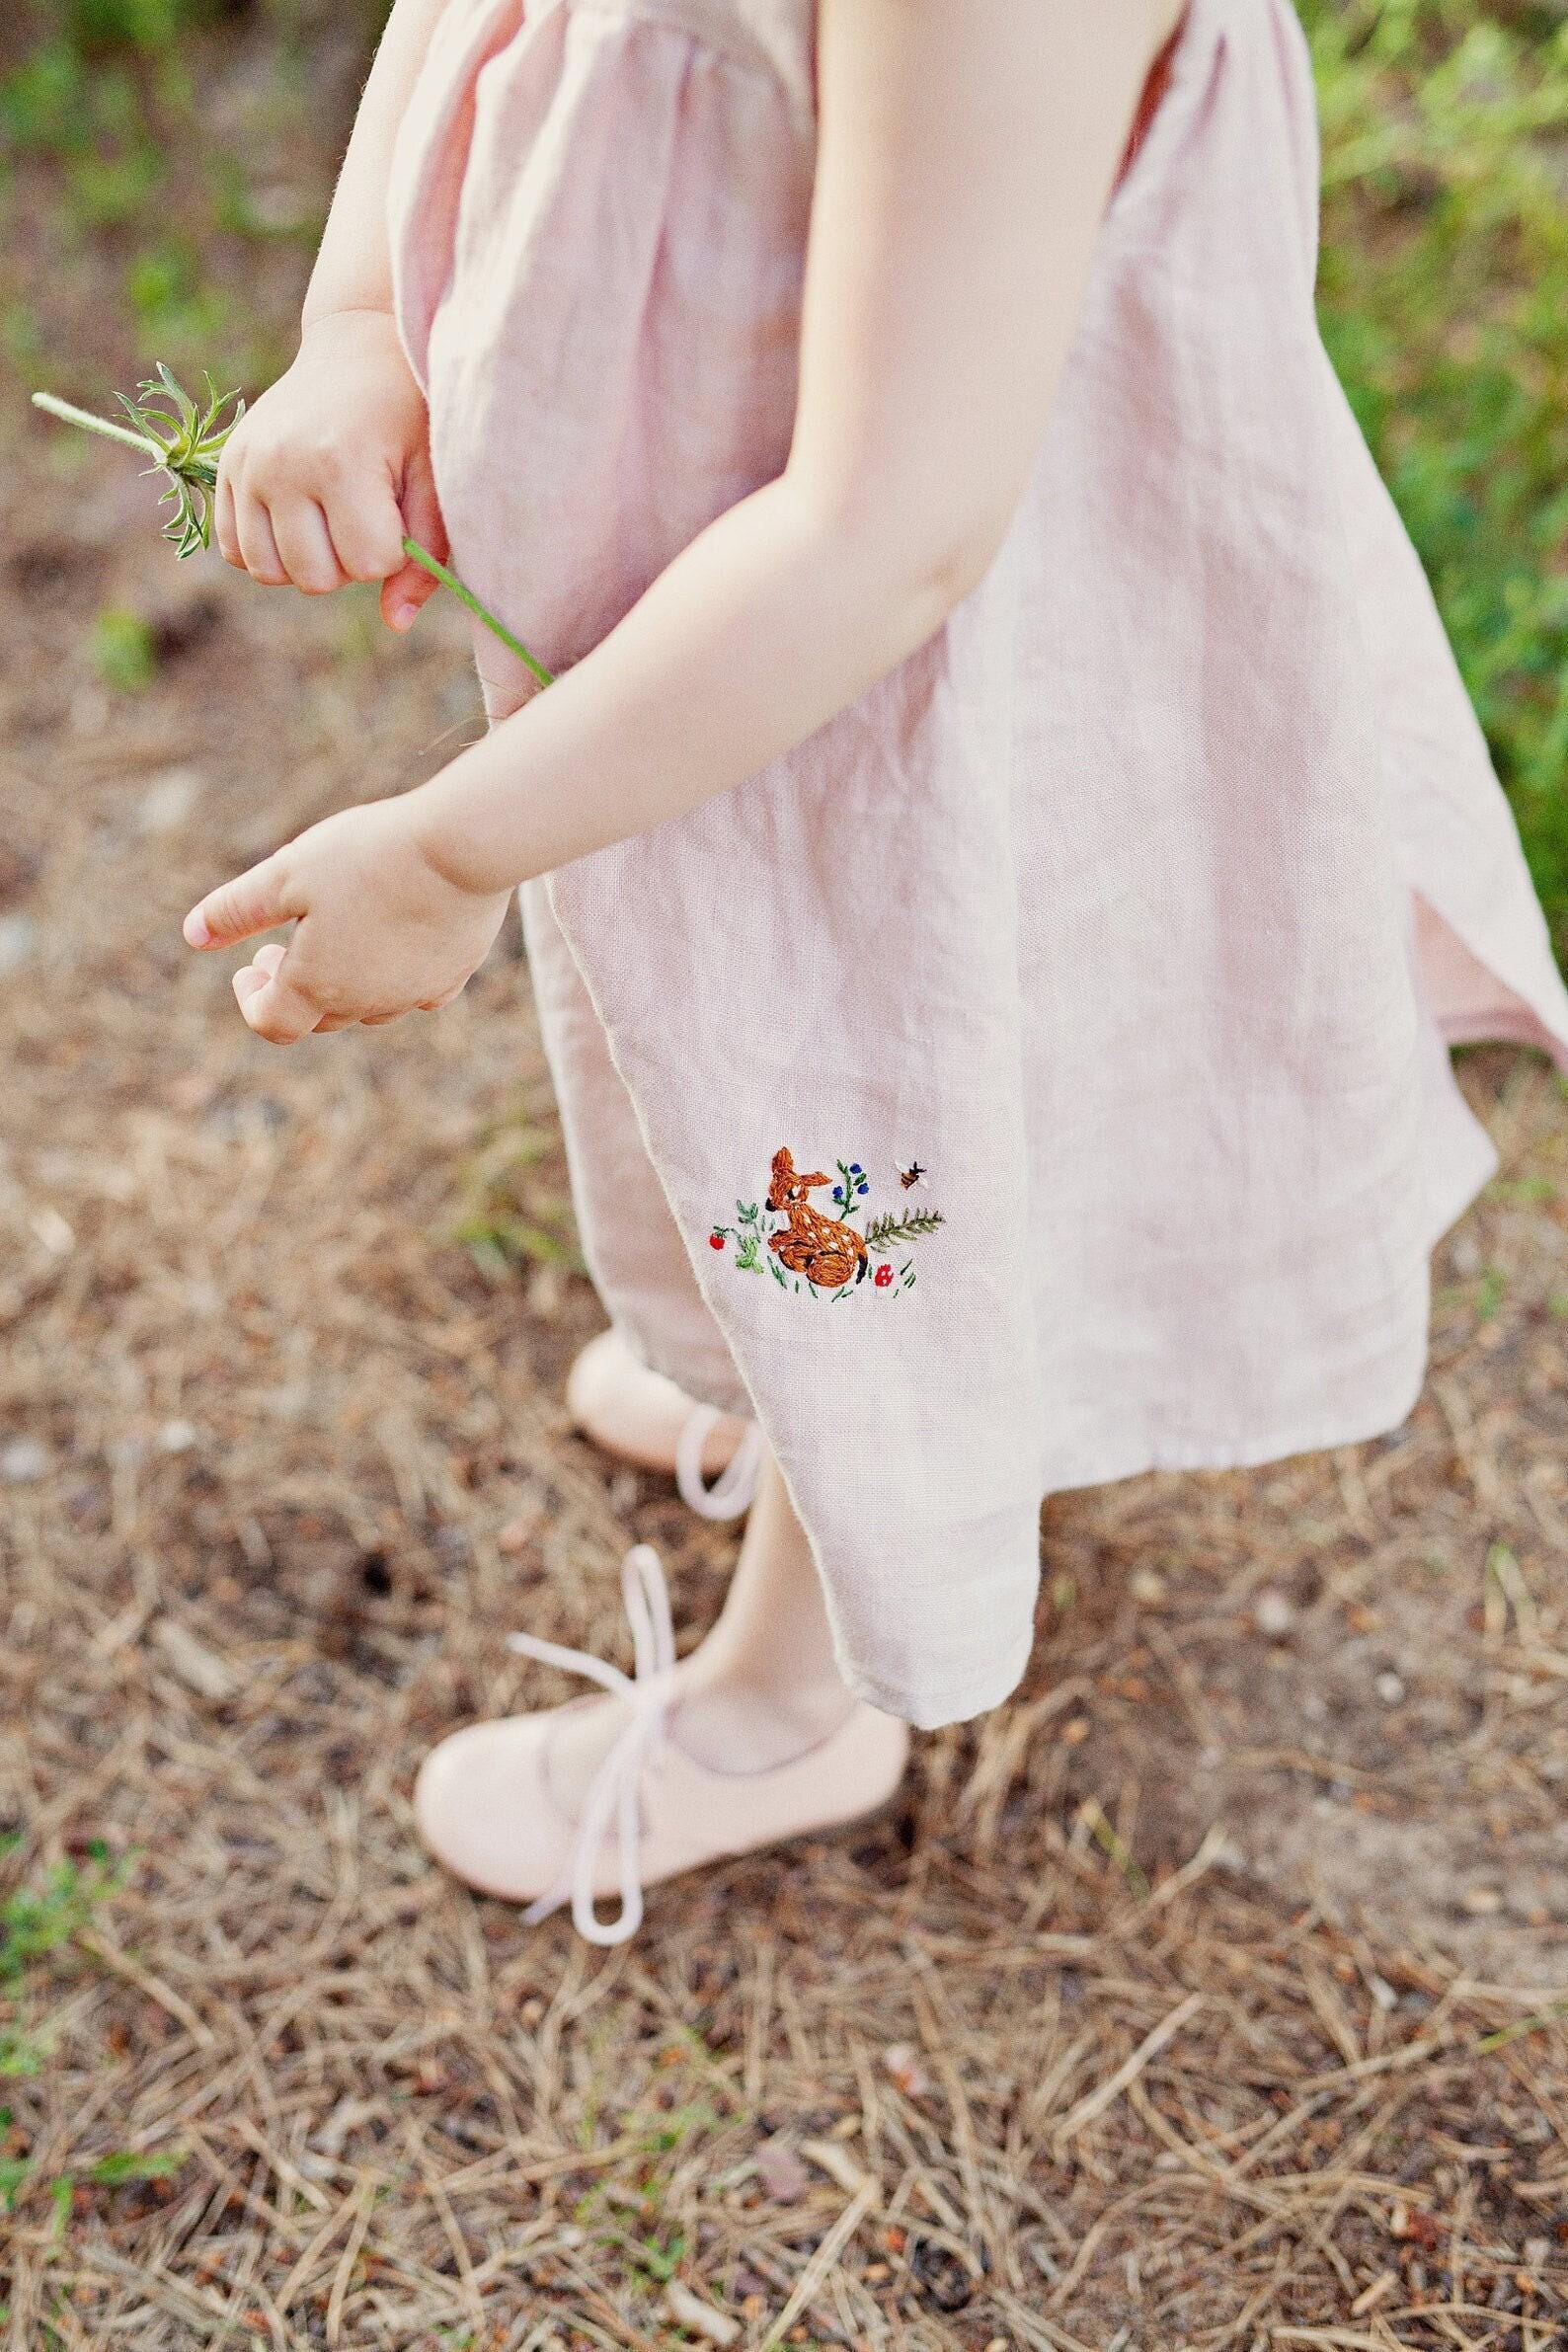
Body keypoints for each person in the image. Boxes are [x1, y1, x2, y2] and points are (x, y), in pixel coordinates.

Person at [186, 0, 1568, 1944]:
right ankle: (770, 1390)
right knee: (702, 1001)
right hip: (705, 579)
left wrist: (444, 848)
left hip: (881, 647)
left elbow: (889, 527)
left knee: (848, 1083)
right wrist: (355, 326)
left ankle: (793, 1688)